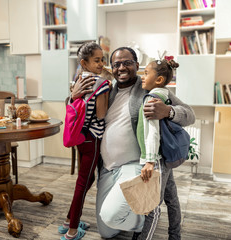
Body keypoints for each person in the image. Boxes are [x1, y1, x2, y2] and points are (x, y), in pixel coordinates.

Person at [71, 47, 195, 240]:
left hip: (133, 166)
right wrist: (73, 96)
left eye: (127, 62)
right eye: (116, 64)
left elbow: (189, 114)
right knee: (106, 230)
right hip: (108, 169)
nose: (121, 67)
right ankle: (139, 212)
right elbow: (80, 111)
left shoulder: (148, 88)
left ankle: (148, 215)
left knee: (112, 216)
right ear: (111, 68)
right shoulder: (107, 88)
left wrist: (168, 111)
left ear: (137, 65)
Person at [58, 42, 111, 240]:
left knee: (87, 179)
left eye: (102, 59)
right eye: (96, 60)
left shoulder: (79, 79)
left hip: (81, 137)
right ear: (84, 62)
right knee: (82, 182)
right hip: (94, 138)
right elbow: (101, 113)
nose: (101, 63)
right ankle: (72, 231)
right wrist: (108, 91)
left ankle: (68, 220)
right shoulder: (101, 83)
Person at [137, 56, 181, 240]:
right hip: (163, 160)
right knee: (171, 200)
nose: (142, 76)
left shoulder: (153, 100)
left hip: (156, 161)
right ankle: (175, 236)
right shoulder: (163, 96)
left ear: (159, 79)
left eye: (146, 73)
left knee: (152, 208)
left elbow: (153, 133)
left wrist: (149, 161)